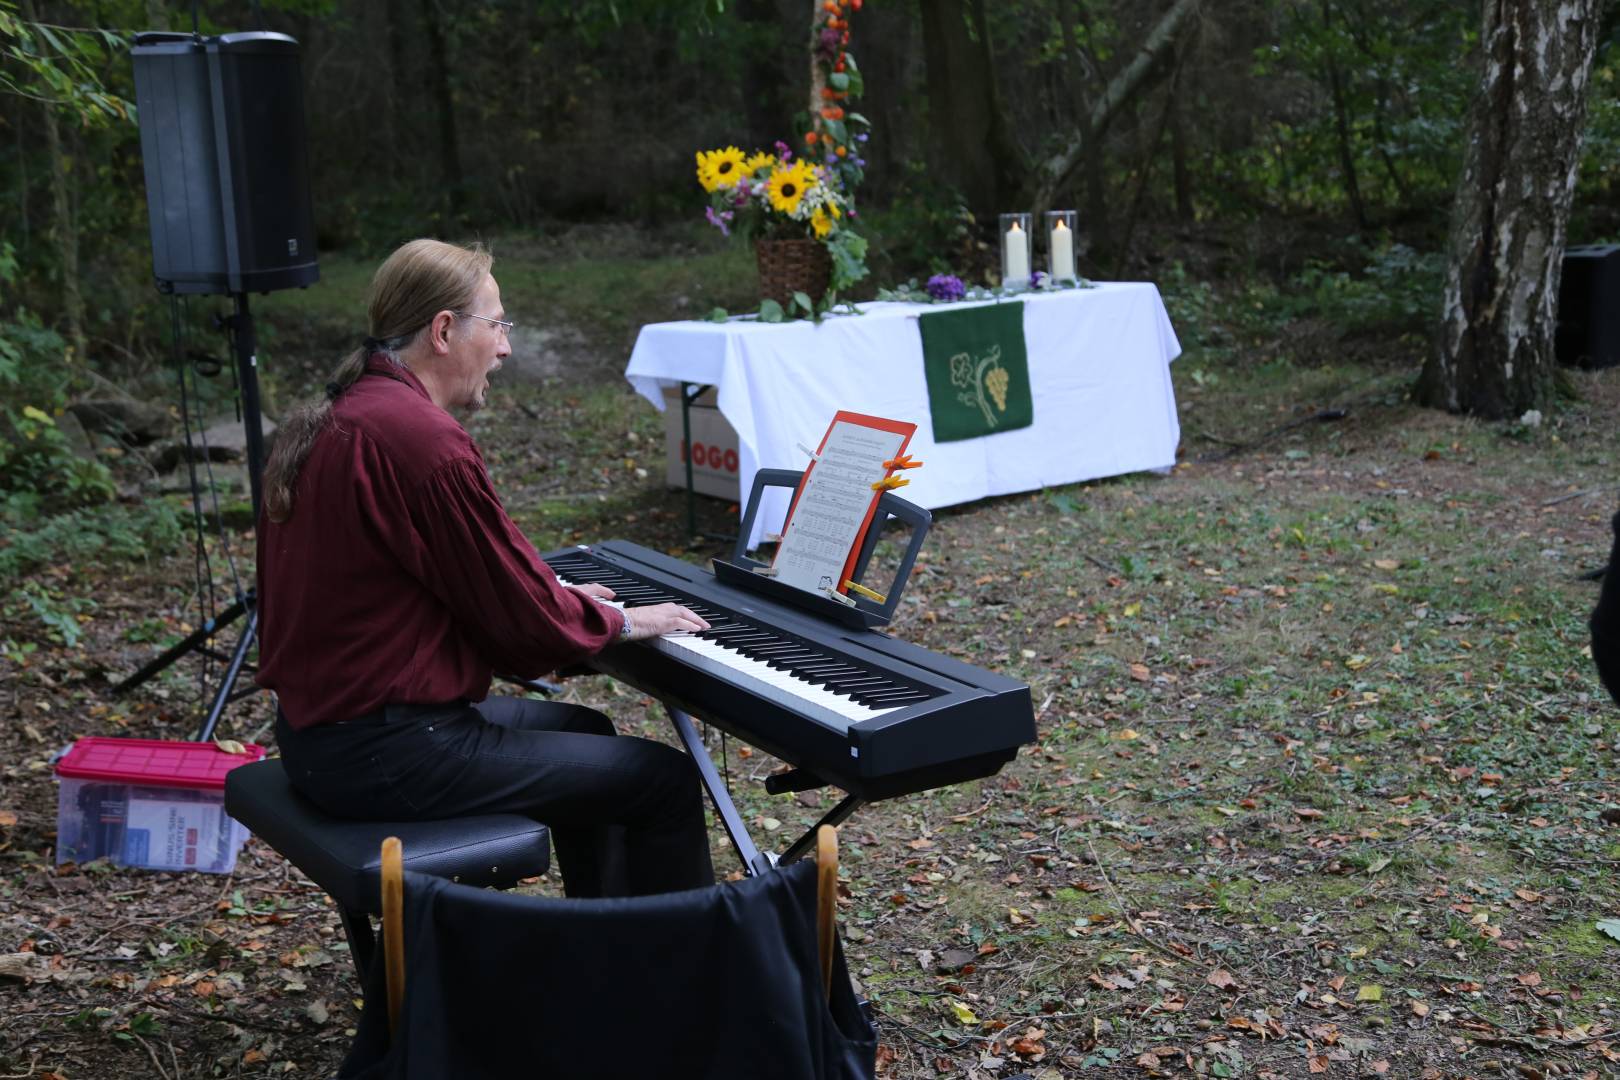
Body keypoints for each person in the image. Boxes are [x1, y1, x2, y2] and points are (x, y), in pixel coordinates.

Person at [255, 238, 715, 897]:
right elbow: (523, 631)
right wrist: (618, 619)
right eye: (498, 325)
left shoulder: (351, 413)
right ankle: (674, 978)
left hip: (322, 738)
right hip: (388, 752)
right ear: (444, 330)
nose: (505, 347)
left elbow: (453, 583)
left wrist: (552, 595)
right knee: (659, 779)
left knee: (588, 730)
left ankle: (609, 946)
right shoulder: (419, 439)